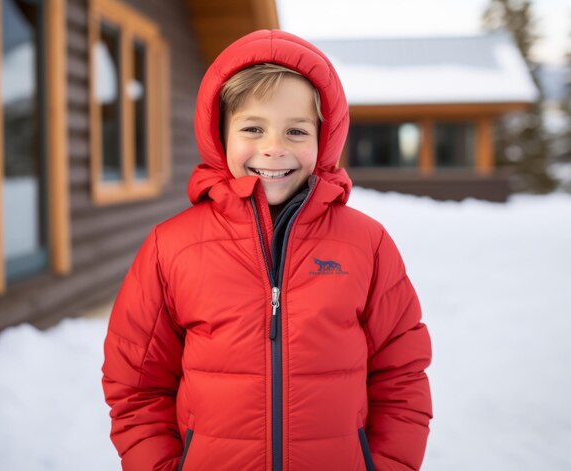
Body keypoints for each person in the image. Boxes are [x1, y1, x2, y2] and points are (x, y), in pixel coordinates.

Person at [102, 29, 432, 471]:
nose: (274, 148)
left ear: (325, 139)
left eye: (296, 130)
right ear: (220, 135)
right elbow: (135, 386)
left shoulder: (366, 245)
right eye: (253, 128)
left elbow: (402, 377)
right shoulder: (172, 247)